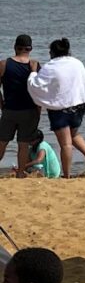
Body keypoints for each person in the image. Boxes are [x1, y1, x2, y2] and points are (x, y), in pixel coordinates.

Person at [27, 39, 85, 179]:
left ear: (52, 52)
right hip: (78, 105)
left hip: (60, 109)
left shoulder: (50, 66)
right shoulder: (77, 63)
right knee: (74, 134)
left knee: (65, 144)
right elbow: (83, 83)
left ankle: (67, 176)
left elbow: (36, 85)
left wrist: (33, 72)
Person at [0, 35, 41, 178]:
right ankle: (20, 174)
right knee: (23, 144)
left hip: (9, 110)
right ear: (30, 49)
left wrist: (2, 105)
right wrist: (39, 111)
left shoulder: (4, 64)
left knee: (2, 141)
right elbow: (39, 90)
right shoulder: (34, 65)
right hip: (29, 111)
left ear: (15, 47)